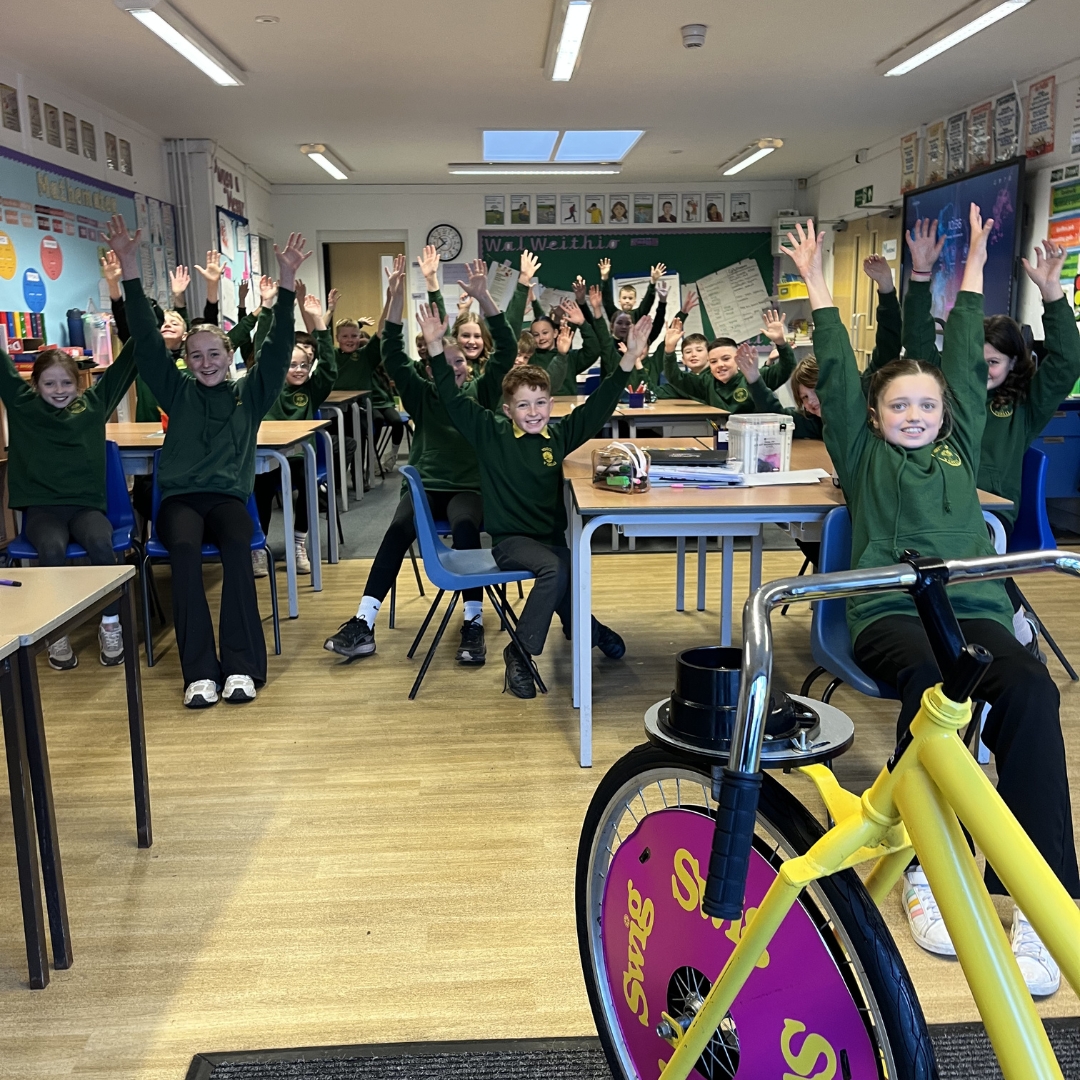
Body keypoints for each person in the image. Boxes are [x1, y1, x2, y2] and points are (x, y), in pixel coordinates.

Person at [785, 207, 1078, 998]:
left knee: (1028, 691)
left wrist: (977, 260)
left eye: (925, 405)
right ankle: (922, 869)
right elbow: (841, 371)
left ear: (948, 413)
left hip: (974, 602)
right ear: (874, 419)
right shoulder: (860, 447)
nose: (912, 415)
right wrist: (817, 284)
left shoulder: (963, 439)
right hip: (888, 609)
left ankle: (1048, 909)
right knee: (939, 696)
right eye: (897, 407)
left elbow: (962, 338)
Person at [109, 213, 307, 709]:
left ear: (229, 353)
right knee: (182, 553)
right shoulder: (177, 392)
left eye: (213, 352)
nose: (205, 362)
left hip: (226, 500)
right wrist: (129, 271)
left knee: (240, 548)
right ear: (187, 361)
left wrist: (286, 286)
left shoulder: (249, 394)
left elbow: (280, 346)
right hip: (179, 501)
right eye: (195, 355)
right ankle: (198, 672)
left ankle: (240, 666)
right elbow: (148, 344)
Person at [424, 303, 654, 698]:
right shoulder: (489, 432)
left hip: (550, 539)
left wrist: (630, 359)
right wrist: (432, 347)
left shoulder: (559, 435)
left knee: (563, 571)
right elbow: (450, 396)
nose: (534, 412)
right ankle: (520, 651)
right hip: (511, 543)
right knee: (554, 570)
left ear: (551, 403)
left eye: (541, 403)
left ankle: (592, 631)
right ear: (507, 409)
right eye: (524, 405)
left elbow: (598, 405)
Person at [324, 257, 518, 664]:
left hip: (469, 488)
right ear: (429, 368)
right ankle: (363, 621)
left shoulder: (482, 394)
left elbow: (508, 350)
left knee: (466, 527)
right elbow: (392, 353)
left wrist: (484, 298)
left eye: (461, 361)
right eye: (445, 363)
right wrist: (393, 297)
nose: (457, 367)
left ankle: (473, 622)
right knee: (397, 528)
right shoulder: (421, 394)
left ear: (469, 364)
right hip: (427, 487)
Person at [0, 338, 137, 669]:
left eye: (66, 382)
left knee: (101, 543)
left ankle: (110, 624)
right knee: (51, 548)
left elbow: (125, 366)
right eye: (49, 383)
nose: (58, 390)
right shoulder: (22, 406)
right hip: (43, 510)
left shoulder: (92, 406)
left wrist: (140, 321)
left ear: (79, 383)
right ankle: (56, 631)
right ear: (35, 385)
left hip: (86, 507)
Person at [253, 291, 338, 575]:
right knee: (260, 488)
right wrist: (267, 309)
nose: (299, 370)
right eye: (292, 365)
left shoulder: (311, 390)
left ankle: (299, 543)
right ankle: (258, 547)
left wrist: (320, 324)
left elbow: (329, 369)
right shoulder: (268, 386)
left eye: (304, 365)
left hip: (300, 457)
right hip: (269, 457)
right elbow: (261, 349)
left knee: (308, 484)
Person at [662, 310, 795, 412]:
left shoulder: (756, 377)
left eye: (726, 359)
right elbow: (675, 377)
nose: (720, 365)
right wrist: (669, 349)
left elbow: (787, 367)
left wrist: (780, 343)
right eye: (713, 361)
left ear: (738, 359)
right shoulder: (705, 383)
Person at [598, 258, 662, 322]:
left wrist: (653, 282)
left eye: (630, 298)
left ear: (634, 301)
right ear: (619, 300)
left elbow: (647, 303)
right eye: (624, 298)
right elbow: (607, 301)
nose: (627, 301)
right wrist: (604, 278)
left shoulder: (638, 315)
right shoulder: (614, 314)